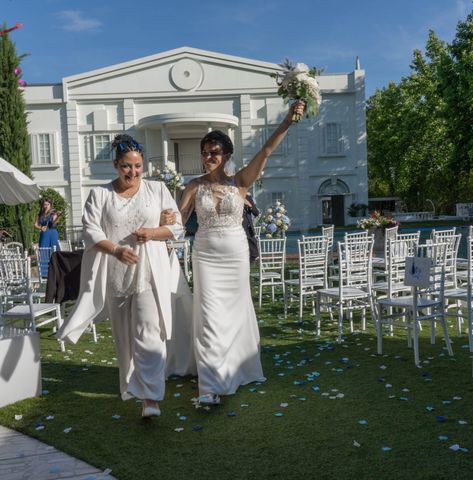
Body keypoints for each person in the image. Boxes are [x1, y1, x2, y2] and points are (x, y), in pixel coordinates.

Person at [179, 101, 305, 404]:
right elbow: (175, 222)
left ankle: (235, 368)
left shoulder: (241, 182)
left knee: (233, 314)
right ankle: (209, 385)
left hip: (235, 255)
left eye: (214, 152)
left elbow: (266, 151)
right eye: (205, 152)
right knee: (209, 316)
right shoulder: (193, 187)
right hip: (206, 255)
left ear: (227, 156)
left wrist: (288, 120)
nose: (208, 157)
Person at [55, 134, 183, 418]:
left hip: (150, 269)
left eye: (137, 166)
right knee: (124, 337)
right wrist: (115, 250)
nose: (133, 172)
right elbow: (90, 231)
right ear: (115, 164)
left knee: (149, 332)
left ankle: (151, 398)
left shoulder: (157, 189)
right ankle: (130, 386)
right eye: (126, 166)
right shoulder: (100, 195)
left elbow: (175, 227)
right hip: (116, 273)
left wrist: (153, 232)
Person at [243, 194, 260, 262]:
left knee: (254, 254)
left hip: (248, 230)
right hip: (236, 229)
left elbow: (256, 213)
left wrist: (249, 205)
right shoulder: (231, 196)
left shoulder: (248, 197)